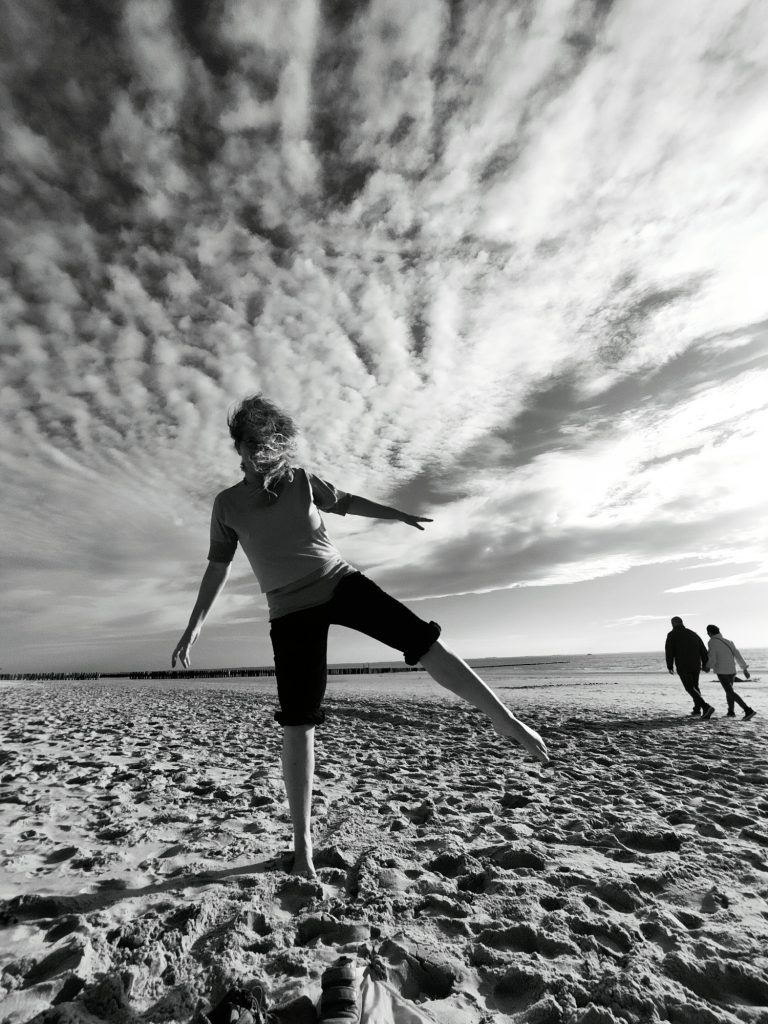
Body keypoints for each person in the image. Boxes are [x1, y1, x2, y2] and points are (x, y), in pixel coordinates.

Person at [172, 394, 549, 878]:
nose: (261, 455)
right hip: (288, 611)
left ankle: (508, 721)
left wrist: (396, 513)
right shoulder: (227, 505)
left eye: (269, 445)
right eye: (253, 447)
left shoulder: (301, 480)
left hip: (340, 583)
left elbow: (346, 502)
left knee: (423, 641)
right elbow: (217, 566)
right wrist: (195, 624)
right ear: (240, 448)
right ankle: (302, 844)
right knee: (297, 722)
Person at [664, 617, 715, 718]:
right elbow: (703, 649)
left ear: (673, 623)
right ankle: (697, 709)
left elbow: (669, 651)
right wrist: (705, 663)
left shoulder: (672, 635)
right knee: (695, 687)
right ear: (681, 623)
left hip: (683, 665)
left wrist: (669, 665)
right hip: (696, 664)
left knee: (689, 687)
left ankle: (705, 707)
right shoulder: (693, 634)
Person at [705, 625, 756, 720]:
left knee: (730, 692)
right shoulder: (728, 641)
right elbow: (737, 655)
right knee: (729, 692)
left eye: (708, 633)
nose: (708, 635)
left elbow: (713, 657)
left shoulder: (712, 641)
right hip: (732, 671)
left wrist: (708, 667)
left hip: (722, 671)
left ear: (710, 633)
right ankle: (731, 712)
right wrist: (744, 668)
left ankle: (748, 710)